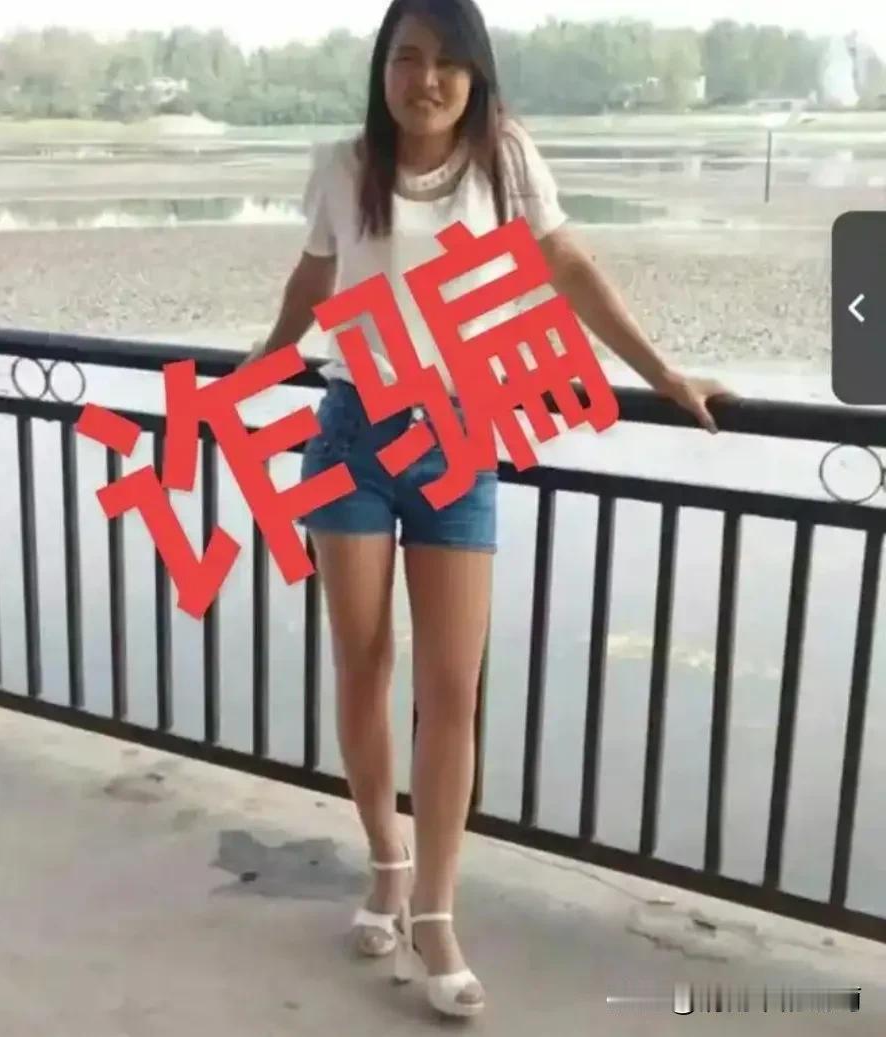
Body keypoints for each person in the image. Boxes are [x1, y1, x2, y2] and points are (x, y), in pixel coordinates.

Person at [241, 0, 728, 1019]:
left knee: (452, 690)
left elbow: (571, 266)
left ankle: (436, 910)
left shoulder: (503, 160)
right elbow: (315, 280)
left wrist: (663, 373)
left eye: (447, 62)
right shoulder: (343, 165)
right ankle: (386, 862)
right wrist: (259, 363)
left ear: (475, 75)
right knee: (363, 665)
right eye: (407, 57)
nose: (426, 79)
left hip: (460, 438)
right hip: (351, 434)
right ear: (383, 68)